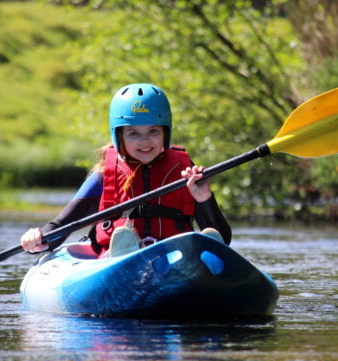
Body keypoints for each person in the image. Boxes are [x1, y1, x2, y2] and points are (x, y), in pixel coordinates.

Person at [21, 83, 231, 257]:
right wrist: (38, 238)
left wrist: (204, 198)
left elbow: (224, 238)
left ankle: (199, 253)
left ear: (166, 133)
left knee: (206, 241)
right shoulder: (104, 174)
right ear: (119, 136)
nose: (145, 141)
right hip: (115, 260)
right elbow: (62, 224)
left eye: (153, 131)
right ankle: (125, 252)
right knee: (122, 241)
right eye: (133, 133)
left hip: (174, 256)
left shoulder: (184, 170)